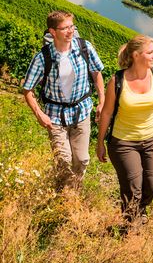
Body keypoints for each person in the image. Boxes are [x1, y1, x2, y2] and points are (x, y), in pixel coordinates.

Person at [96, 34, 153, 225]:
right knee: (133, 189)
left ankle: (139, 210)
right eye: (150, 52)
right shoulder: (117, 80)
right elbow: (107, 113)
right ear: (136, 55)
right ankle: (130, 229)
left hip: (151, 139)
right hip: (123, 142)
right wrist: (100, 143)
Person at [23, 10, 105, 191]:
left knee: (82, 159)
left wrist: (102, 100)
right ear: (53, 32)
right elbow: (27, 89)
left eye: (72, 27)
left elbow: (96, 73)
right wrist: (39, 114)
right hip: (55, 117)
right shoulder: (42, 57)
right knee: (64, 160)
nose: (70, 32)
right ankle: (66, 199)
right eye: (65, 28)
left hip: (81, 112)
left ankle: (72, 191)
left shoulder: (85, 48)